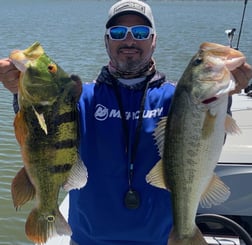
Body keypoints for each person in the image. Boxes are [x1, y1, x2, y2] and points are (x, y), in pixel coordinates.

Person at [0, 0, 252, 244]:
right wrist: (19, 93)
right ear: (107, 40)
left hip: (163, 239)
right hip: (89, 239)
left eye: (141, 32)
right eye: (118, 32)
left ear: (154, 41)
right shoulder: (80, 98)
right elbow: (43, 135)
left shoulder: (177, 99)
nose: (129, 40)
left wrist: (225, 96)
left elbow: (204, 142)